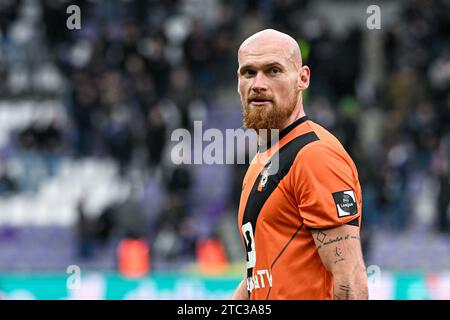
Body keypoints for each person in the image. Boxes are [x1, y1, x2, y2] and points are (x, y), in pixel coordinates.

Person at [231, 29, 368, 300]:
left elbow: (350, 281)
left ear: (302, 78)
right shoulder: (261, 161)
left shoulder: (315, 155)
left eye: (273, 71)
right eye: (249, 72)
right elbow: (258, 276)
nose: (258, 83)